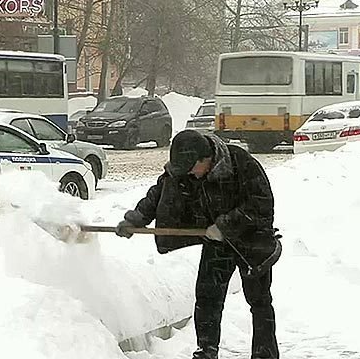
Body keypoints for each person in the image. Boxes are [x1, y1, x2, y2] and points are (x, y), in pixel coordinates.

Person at [115, 130, 281, 359]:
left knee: (259, 301)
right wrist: (135, 219)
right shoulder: (186, 168)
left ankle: (265, 355)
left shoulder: (241, 164)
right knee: (207, 297)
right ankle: (206, 351)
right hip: (216, 242)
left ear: (206, 159)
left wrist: (226, 226)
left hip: (252, 241)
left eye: (194, 169)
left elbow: (261, 205)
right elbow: (159, 193)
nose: (190, 175)